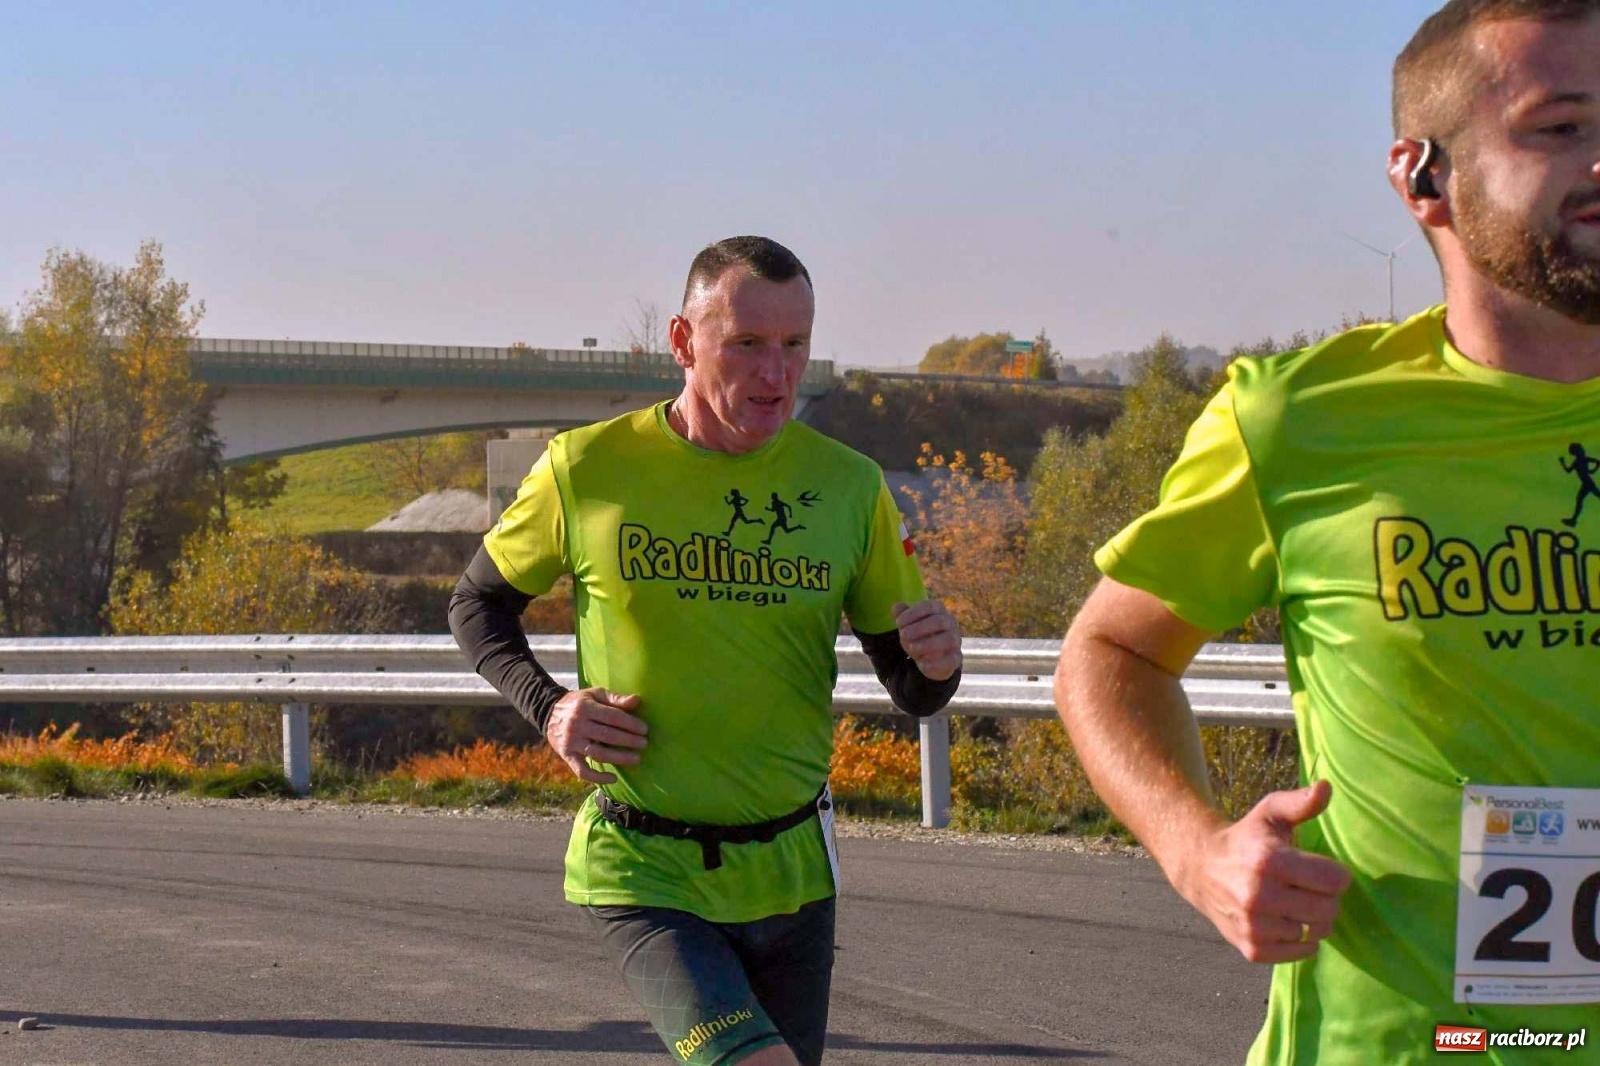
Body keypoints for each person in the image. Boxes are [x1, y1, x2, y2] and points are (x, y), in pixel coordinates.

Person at [1053, 2, 1600, 1062]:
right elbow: (1109, 649)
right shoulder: (1300, 424)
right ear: (1420, 176)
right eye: (1560, 125)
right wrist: (1196, 848)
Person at [449, 235, 962, 1066]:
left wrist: (939, 663)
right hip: (645, 867)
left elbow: (913, 687)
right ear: (685, 342)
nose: (777, 375)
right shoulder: (588, 469)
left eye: (795, 345)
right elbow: (477, 605)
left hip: (795, 872)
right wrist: (551, 708)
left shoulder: (848, 486)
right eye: (748, 344)